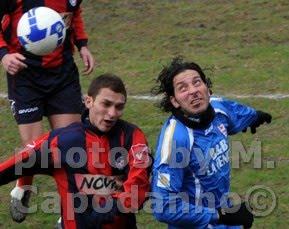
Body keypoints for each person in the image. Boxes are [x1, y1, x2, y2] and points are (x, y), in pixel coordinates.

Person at [0, 74, 152, 228]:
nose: (112, 113)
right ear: (88, 101)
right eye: (106, 104)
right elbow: (18, 163)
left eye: (119, 107)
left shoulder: (132, 137)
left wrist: (111, 209)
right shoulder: (63, 141)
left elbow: (139, 185)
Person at [0, 0, 95, 223]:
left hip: (62, 75)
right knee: (36, 152)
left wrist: (82, 45)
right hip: (24, 75)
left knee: (69, 148)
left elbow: (74, 13)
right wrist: (4, 55)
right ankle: (24, 186)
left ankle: (68, 214)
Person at [150, 57, 272, 229]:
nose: (193, 91)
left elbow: (235, 112)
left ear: (207, 88)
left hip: (223, 214)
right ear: (175, 101)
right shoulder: (176, 141)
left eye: (197, 82)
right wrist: (219, 215)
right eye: (182, 88)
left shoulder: (217, 108)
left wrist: (254, 117)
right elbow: (163, 207)